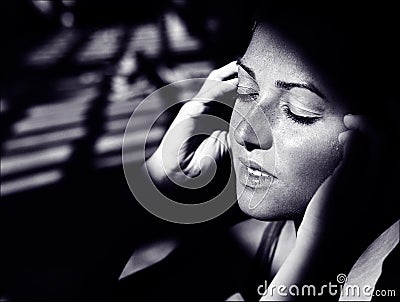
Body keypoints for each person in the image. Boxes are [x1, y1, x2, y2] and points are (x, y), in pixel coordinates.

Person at [121, 3, 399, 301]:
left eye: (298, 111)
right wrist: (154, 181)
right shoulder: (253, 249)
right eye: (246, 90)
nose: (242, 132)